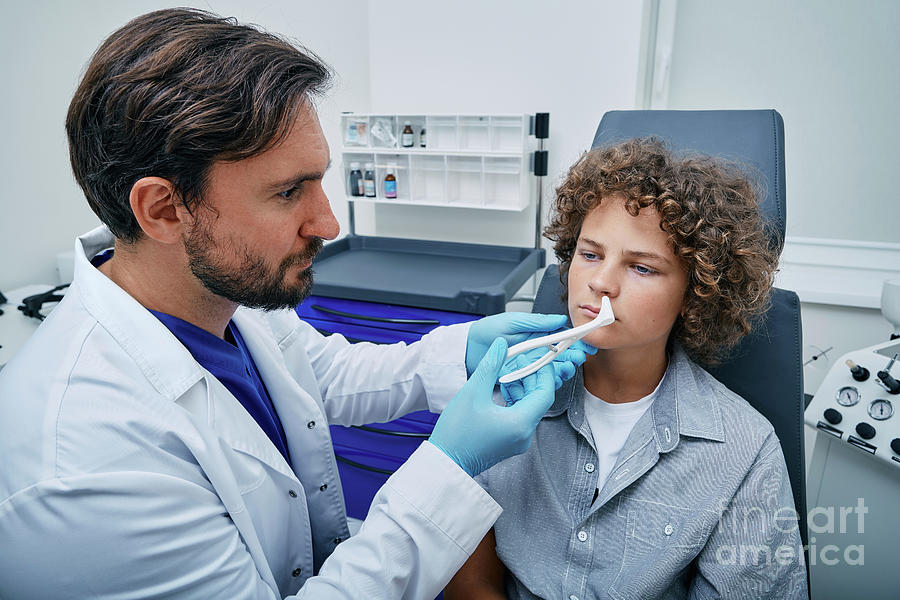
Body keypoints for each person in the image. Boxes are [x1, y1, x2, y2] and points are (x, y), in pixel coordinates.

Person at [0, 9, 593, 599]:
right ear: (162, 210)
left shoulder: (220, 297)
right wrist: (452, 465)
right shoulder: (85, 465)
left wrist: (462, 351)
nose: (329, 223)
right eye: (287, 193)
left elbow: (323, 375)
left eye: (317, 181)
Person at [445, 138, 809, 599]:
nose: (600, 281)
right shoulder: (500, 397)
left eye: (641, 268)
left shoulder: (743, 451)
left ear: (696, 294)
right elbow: (469, 582)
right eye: (590, 254)